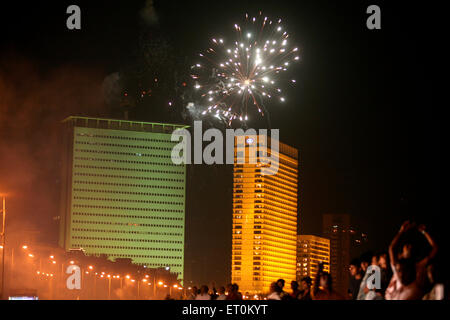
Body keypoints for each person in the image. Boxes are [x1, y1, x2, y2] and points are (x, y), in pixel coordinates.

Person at [385, 221, 438, 300]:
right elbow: (391, 248)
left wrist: (424, 232)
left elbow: (435, 249)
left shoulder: (418, 268)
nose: (401, 274)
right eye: (406, 246)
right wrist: (401, 231)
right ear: (401, 252)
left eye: (410, 247)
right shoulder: (397, 268)